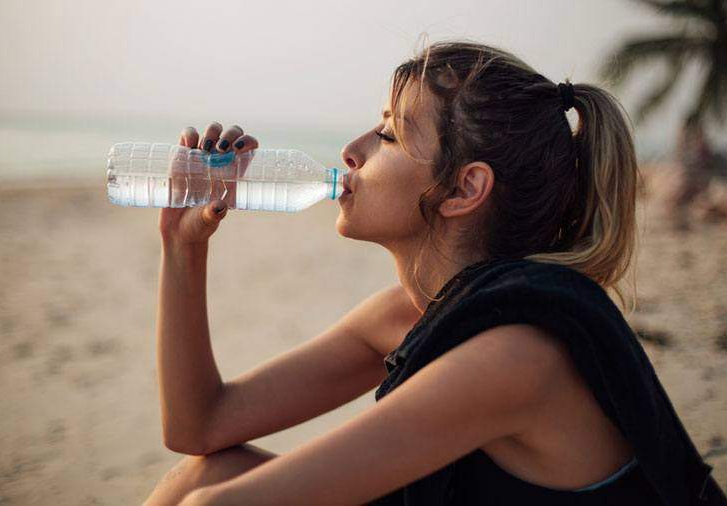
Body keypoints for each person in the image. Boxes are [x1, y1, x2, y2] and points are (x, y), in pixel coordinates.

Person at [144, 41, 726, 505]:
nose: (351, 150)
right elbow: (201, 426)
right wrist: (181, 246)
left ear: (462, 188)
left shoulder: (514, 356)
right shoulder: (407, 314)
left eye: (390, 134)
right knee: (201, 475)